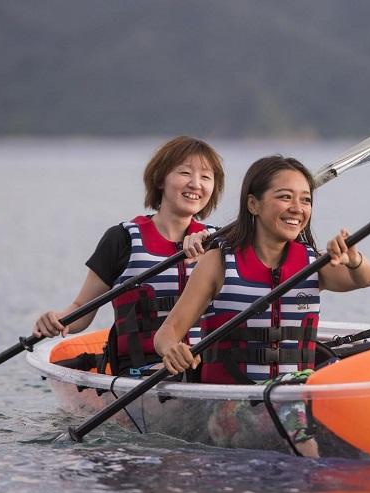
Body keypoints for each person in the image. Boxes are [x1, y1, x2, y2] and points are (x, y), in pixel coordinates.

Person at [153, 155, 370, 384]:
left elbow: (364, 279)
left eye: (306, 200)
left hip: (292, 404)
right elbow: (166, 333)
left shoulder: (313, 264)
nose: (297, 209)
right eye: (285, 197)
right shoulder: (218, 262)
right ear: (253, 204)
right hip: (227, 405)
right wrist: (172, 349)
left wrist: (354, 259)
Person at [31, 136, 225, 375]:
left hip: (209, 368)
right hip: (141, 369)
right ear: (161, 179)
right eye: (185, 173)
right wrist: (57, 319)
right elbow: (82, 308)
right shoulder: (122, 239)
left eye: (206, 177)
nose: (196, 184)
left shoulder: (220, 242)